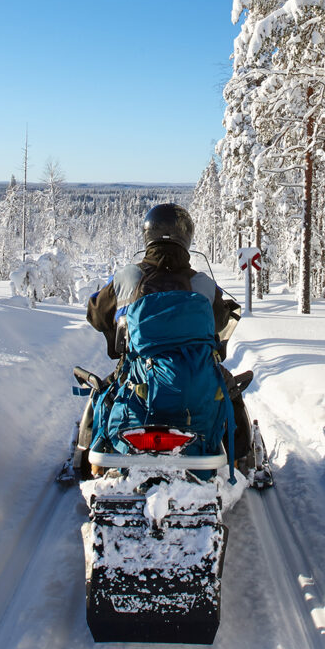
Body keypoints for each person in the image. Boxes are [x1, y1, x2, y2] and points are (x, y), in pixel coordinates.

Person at [77, 203, 253, 473]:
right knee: (231, 394)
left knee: (103, 392)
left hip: (138, 375)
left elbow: (97, 315)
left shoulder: (127, 277)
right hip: (195, 378)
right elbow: (219, 323)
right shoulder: (204, 284)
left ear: (148, 235)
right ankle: (240, 459)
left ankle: (85, 457)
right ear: (186, 238)